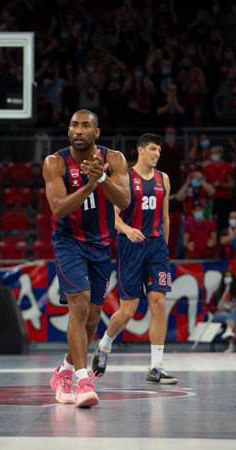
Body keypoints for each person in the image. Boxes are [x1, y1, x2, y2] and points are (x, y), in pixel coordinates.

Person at [43, 109, 129, 408]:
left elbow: (124, 201)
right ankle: (83, 380)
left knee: (92, 319)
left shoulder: (114, 159)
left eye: (84, 126)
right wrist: (89, 186)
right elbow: (58, 208)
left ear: (96, 132)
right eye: (73, 125)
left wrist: (102, 177)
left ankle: (64, 371)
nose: (78, 130)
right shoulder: (55, 163)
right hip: (68, 242)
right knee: (78, 306)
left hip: (101, 244)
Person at [91, 133, 178, 384]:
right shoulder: (126, 178)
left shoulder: (164, 179)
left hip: (156, 248)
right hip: (131, 247)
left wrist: (164, 247)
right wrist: (127, 230)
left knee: (159, 302)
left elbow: (165, 217)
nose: (156, 154)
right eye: (152, 149)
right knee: (128, 310)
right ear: (140, 150)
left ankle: (156, 366)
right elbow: (113, 217)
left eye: (159, 150)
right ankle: (105, 344)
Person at [209, 270, 236, 352]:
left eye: (230, 276)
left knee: (235, 311)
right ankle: (231, 342)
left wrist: (232, 308)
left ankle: (229, 329)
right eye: (226, 276)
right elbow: (210, 306)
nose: (228, 278)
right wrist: (219, 309)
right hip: (220, 315)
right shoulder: (217, 293)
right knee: (231, 319)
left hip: (233, 313)